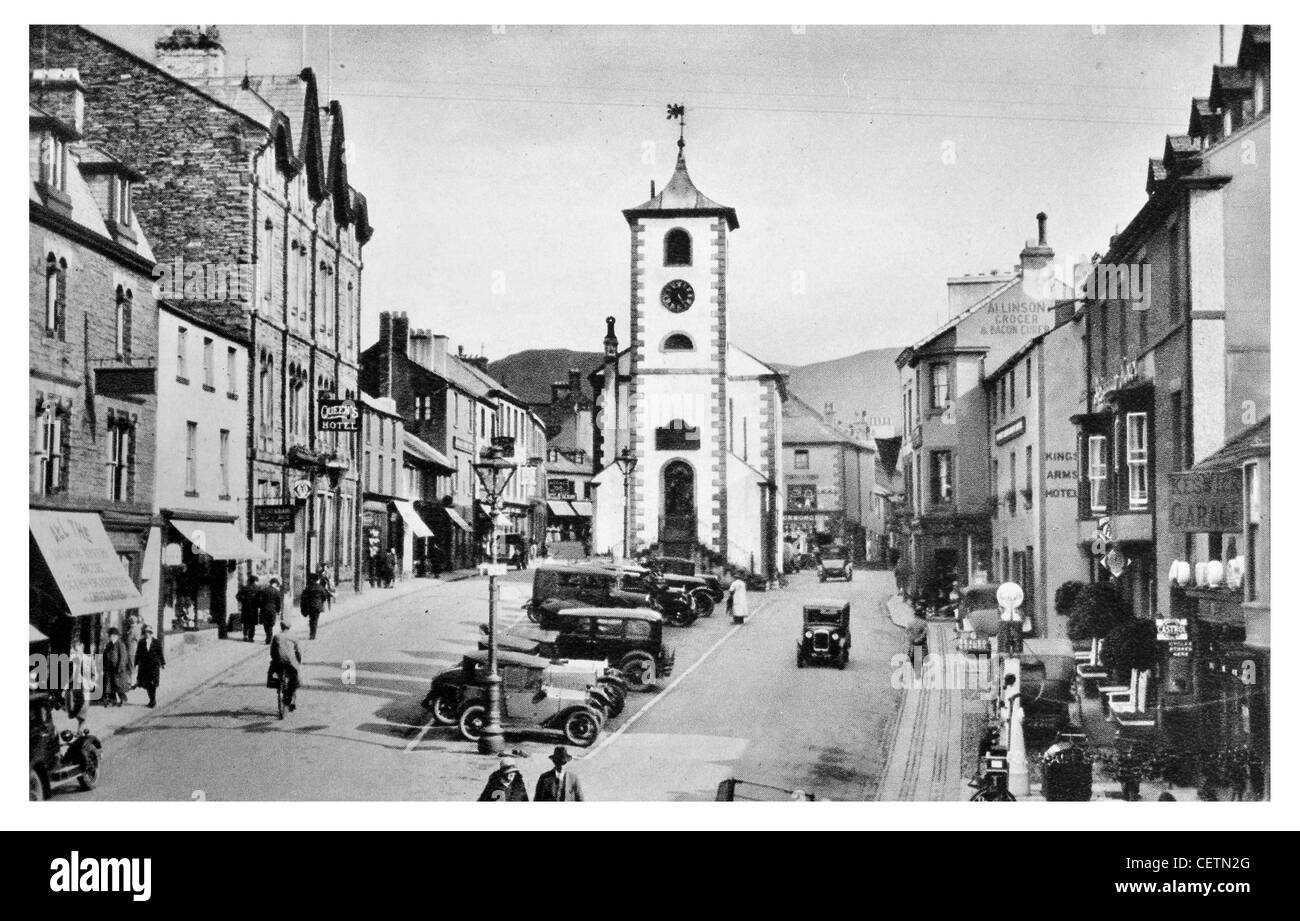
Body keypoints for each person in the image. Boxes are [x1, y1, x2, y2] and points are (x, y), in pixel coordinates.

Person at [269, 621, 303, 711]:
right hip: (290, 662)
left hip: (279, 661)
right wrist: (299, 661)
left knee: (272, 671)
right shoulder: (294, 637)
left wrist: (274, 659)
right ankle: (290, 699)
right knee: (295, 678)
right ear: (289, 627)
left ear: (281, 627)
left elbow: (272, 651)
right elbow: (298, 651)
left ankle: (272, 682)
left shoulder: (276, 636)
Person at [65, 644, 97, 728]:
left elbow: (94, 674)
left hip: (85, 688)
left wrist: (91, 684)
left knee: (83, 714)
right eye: (74, 650)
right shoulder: (71, 660)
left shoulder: (88, 659)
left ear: (82, 648)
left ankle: (80, 730)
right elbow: (68, 675)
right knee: (73, 709)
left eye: (77, 649)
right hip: (74, 688)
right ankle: (79, 728)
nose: (75, 652)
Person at [135, 625, 166, 708]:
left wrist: (163, 663)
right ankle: (151, 700)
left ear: (151, 633)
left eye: (149, 633)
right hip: (145, 666)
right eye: (146, 633)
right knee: (147, 684)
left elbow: (160, 653)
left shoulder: (156, 642)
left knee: (153, 683)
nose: (147, 634)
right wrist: (135, 663)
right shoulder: (141, 642)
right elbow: (138, 653)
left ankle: (153, 700)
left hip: (154, 666)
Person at [101, 627, 130, 706]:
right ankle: (112, 700)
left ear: (115, 636)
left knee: (119, 685)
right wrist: (103, 666)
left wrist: (120, 668)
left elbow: (123, 657)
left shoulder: (120, 644)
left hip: (118, 669)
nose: (109, 637)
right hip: (109, 668)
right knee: (109, 685)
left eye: (110, 635)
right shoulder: (109, 645)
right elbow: (104, 655)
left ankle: (123, 699)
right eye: (109, 636)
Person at [300, 575, 328, 641]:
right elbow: (324, 597)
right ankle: (313, 635)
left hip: (309, 606)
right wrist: (320, 602)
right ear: (317, 580)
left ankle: (311, 633)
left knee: (311, 619)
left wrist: (304, 606)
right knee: (315, 620)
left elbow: (303, 597)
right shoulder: (320, 587)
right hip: (317, 606)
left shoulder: (308, 587)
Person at [236, 575, 261, 642]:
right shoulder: (257, 588)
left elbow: (237, 596)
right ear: (254, 581)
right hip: (254, 609)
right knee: (252, 624)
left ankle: (245, 636)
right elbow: (260, 598)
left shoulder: (244, 588)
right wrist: (258, 605)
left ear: (249, 580)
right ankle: (251, 637)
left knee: (245, 623)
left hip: (245, 608)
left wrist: (243, 600)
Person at [259, 577, 283, 643]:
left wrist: (261, 606)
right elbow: (278, 603)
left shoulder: (263, 590)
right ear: (275, 584)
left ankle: (268, 636)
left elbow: (260, 600)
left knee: (265, 623)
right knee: (271, 624)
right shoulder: (277, 592)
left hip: (264, 609)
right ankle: (269, 637)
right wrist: (278, 611)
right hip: (272, 610)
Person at [906, 607, 929, 672]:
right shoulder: (924, 623)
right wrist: (919, 639)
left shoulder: (910, 623)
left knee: (912, 659)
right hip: (921, 646)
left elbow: (907, 633)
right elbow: (925, 634)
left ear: (915, 614)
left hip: (913, 645)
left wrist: (912, 640)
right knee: (921, 661)